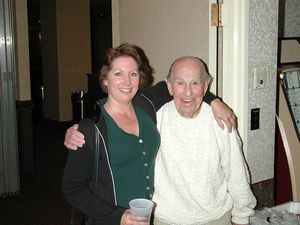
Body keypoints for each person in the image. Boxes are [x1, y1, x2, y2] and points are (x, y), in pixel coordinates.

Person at [63, 44, 236, 225]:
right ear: (105, 79)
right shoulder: (91, 129)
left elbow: (183, 85)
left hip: (149, 217)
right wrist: (118, 216)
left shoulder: (146, 104)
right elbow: (72, 188)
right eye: (118, 74)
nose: (127, 81)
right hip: (110, 219)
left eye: (133, 74)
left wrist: (215, 101)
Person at [152, 57, 256, 225]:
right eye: (180, 83)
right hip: (166, 218)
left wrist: (241, 216)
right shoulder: (155, 118)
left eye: (195, 83)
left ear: (206, 85)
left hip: (215, 217)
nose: (188, 92)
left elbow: (236, 171)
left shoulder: (221, 120)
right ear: (169, 86)